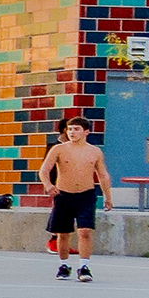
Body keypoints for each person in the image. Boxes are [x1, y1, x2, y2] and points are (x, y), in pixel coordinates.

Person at [39, 113, 110, 282]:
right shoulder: (59, 149)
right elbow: (44, 170)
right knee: (63, 234)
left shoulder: (95, 152)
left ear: (86, 132)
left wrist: (108, 196)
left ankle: (84, 267)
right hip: (63, 195)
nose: (72, 132)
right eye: (70, 129)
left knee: (85, 231)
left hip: (86, 195)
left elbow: (103, 175)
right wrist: (49, 186)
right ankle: (64, 265)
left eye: (76, 129)